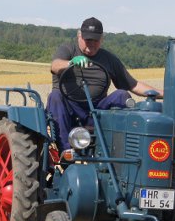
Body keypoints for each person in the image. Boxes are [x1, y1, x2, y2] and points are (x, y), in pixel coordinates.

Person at [47, 16, 163, 150]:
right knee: (55, 96)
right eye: (88, 39)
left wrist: (165, 94)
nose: (91, 43)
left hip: (96, 111)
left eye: (95, 40)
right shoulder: (68, 49)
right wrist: (70, 63)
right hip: (69, 109)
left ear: (102, 39)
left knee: (121, 95)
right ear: (79, 36)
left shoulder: (109, 59)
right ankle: (66, 151)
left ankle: (119, 150)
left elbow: (133, 85)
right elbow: (55, 66)